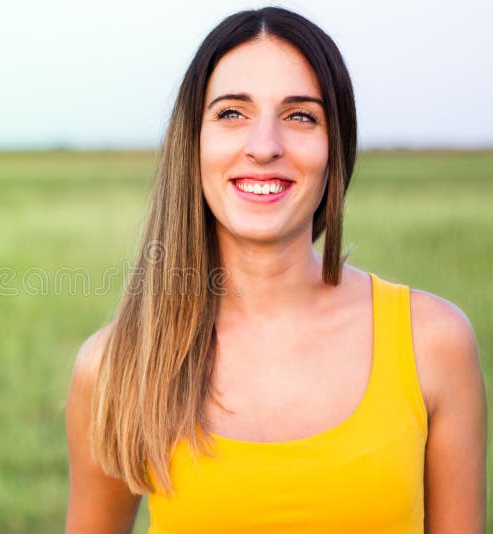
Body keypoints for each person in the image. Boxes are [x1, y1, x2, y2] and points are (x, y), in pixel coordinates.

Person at [64, 6, 487, 534]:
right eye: (232, 113)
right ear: (192, 143)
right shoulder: (117, 364)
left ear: (336, 149)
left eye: (301, 115)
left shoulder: (433, 342)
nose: (264, 146)